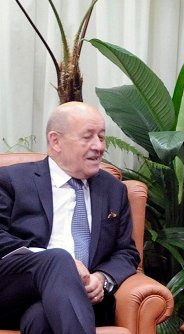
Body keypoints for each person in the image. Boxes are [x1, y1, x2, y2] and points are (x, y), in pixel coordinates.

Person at [0, 102, 140, 333]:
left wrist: (101, 279)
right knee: (59, 260)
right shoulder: (11, 180)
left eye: (102, 137)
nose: (99, 146)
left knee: (41, 319)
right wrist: (57, 262)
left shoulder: (113, 190)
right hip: (15, 290)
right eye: (88, 137)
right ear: (56, 141)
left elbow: (126, 252)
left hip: (76, 302)